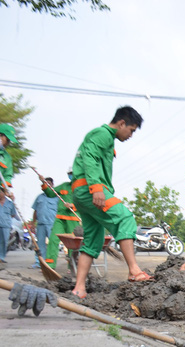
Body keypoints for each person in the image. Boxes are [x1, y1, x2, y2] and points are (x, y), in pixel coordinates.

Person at [70, 106, 151, 299]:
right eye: (131, 130)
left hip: (81, 191)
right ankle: (134, 270)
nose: (131, 135)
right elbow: (90, 158)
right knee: (125, 218)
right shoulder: (103, 134)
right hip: (89, 189)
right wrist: (97, 188)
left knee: (93, 240)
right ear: (121, 123)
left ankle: (79, 288)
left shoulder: (104, 137)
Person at [44, 167, 81, 269]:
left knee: (73, 244)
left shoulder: (82, 188)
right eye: (69, 173)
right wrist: (45, 185)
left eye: (73, 173)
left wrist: (73, 206)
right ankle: (50, 265)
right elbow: (51, 193)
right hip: (60, 218)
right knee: (53, 240)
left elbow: (86, 204)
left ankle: (72, 266)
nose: (71, 175)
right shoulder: (64, 186)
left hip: (73, 219)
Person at [31, 177, 59, 268]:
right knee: (40, 244)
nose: (47, 186)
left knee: (53, 244)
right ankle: (39, 262)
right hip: (40, 224)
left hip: (52, 224)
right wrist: (33, 223)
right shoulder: (39, 197)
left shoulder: (57, 197)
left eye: (49, 184)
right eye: (45, 184)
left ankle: (51, 262)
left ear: (52, 185)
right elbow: (35, 211)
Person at [0, 187, 19, 263]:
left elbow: (13, 214)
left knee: (4, 241)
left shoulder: (10, 203)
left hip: (6, 225)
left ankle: (1, 257)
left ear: (4, 193)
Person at [0, 123, 18, 199]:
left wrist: (6, 190)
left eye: (9, 141)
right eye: (7, 140)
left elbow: (7, 176)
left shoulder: (7, 158)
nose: (8, 143)